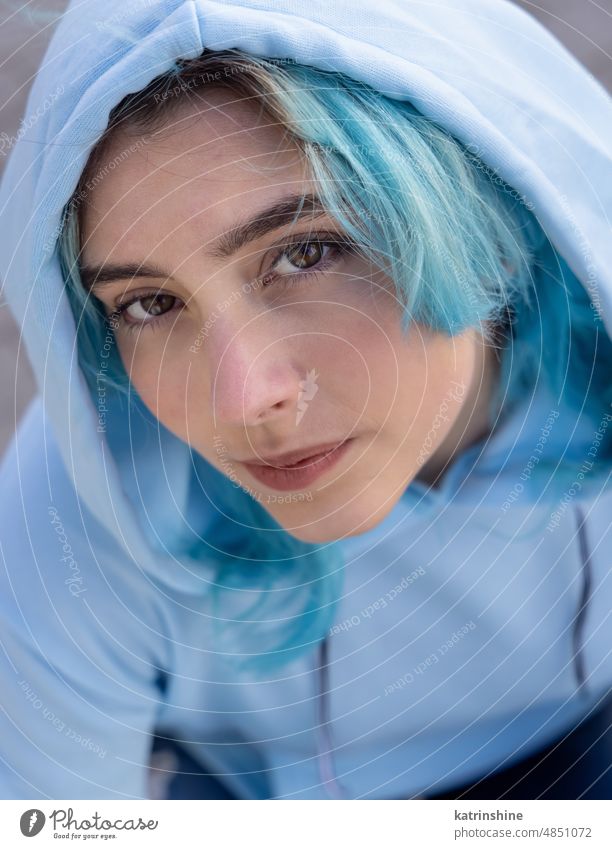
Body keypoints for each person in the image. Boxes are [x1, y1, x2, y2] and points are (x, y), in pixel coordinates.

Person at [0, 0, 610, 801]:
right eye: (149, 303)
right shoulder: (76, 512)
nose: (245, 397)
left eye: (308, 251)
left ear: (475, 205)